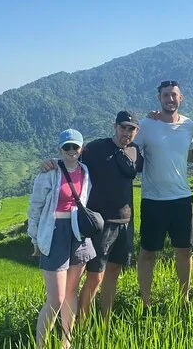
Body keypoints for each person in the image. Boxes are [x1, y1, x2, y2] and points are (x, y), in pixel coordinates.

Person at [40, 112, 144, 319]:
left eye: (131, 129)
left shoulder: (135, 151)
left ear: (137, 131)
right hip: (100, 223)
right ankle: (81, 323)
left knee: (114, 272)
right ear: (114, 126)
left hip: (125, 221)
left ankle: (104, 321)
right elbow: (71, 158)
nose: (126, 132)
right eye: (123, 127)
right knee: (95, 276)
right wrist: (51, 162)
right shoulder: (96, 148)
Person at [28, 128, 96, 348]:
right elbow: (35, 207)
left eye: (75, 146)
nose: (71, 150)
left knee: (70, 293)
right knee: (55, 299)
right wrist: (35, 238)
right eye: (67, 147)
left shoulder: (85, 171)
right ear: (60, 149)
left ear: (81, 149)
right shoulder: (49, 172)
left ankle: (66, 342)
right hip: (54, 231)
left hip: (77, 233)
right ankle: (41, 344)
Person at [134, 80, 193, 306]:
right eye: (166, 95)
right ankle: (146, 302)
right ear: (159, 98)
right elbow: (129, 149)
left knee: (185, 251)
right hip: (153, 199)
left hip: (182, 198)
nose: (170, 99)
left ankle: (184, 299)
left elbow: (191, 154)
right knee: (147, 252)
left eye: (174, 95)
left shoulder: (190, 126)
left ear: (181, 98)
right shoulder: (145, 125)